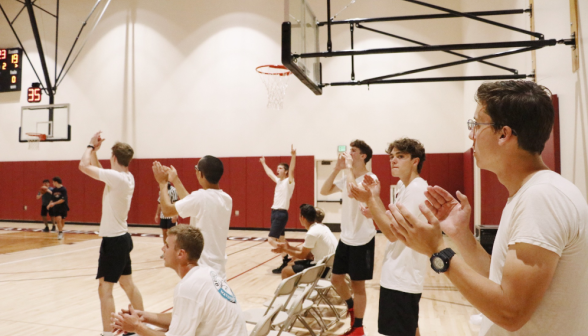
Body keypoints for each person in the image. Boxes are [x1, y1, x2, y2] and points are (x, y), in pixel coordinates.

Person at [382, 81, 588, 335]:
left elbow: (510, 312)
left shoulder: (541, 197)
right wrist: (461, 235)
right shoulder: (531, 193)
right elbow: (499, 279)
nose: (471, 135)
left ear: (504, 134)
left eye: (476, 125)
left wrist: (438, 251)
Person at [349, 138, 429, 336]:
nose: (393, 161)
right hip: (400, 274)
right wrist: (374, 202)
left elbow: (393, 234)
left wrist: (371, 199)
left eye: (400, 157)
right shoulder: (404, 187)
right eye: (392, 157)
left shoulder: (417, 189)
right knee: (410, 328)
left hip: (402, 276)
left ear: (415, 161)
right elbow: (393, 222)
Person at [111, 225, 248, 336]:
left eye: (167, 246)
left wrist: (137, 327)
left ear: (181, 254)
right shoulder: (207, 273)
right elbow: (182, 318)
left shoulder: (189, 287)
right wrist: (144, 317)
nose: (162, 249)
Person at [79, 131, 144, 336]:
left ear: (114, 157)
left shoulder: (117, 178)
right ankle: (141, 325)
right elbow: (101, 172)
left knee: (105, 289)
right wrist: (97, 153)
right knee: (128, 284)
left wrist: (90, 146)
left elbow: (83, 166)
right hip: (122, 238)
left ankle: (109, 333)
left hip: (114, 241)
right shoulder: (126, 177)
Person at [320, 140, 377, 336]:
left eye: (353, 151)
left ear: (363, 156)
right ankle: (352, 307)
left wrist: (349, 169)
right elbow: (324, 191)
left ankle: (358, 327)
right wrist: (337, 169)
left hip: (363, 239)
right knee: (336, 279)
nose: (348, 153)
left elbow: (353, 192)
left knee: (357, 285)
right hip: (346, 237)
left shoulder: (371, 178)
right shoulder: (346, 177)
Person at [152, 156, 232, 279]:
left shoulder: (201, 197)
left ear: (200, 173)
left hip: (201, 270)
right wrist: (175, 179)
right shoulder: (227, 199)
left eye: (196, 168)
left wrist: (162, 184)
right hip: (219, 271)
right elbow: (192, 203)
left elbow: (167, 210)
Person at [273, 204, 337, 279]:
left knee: (285, 271)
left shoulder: (312, 233)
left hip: (324, 268)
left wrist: (284, 250)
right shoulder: (323, 227)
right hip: (333, 265)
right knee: (292, 263)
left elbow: (302, 255)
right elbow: (306, 251)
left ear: (302, 218)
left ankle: (292, 290)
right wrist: (289, 247)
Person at [259, 145, 296, 274]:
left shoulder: (289, 182)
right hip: (274, 212)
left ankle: (291, 256)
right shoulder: (278, 181)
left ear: (285, 171)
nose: (277, 170)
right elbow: (269, 172)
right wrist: (264, 163)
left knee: (271, 240)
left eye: (280, 168)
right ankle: (286, 261)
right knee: (280, 239)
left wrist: (293, 156)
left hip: (281, 213)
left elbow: (292, 170)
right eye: (277, 168)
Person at [155, 182, 179, 258]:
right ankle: (166, 250)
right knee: (164, 233)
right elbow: (159, 203)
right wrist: (157, 214)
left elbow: (175, 202)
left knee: (170, 234)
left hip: (171, 215)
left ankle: (172, 251)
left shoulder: (173, 190)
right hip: (163, 215)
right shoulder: (161, 191)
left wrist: (175, 215)